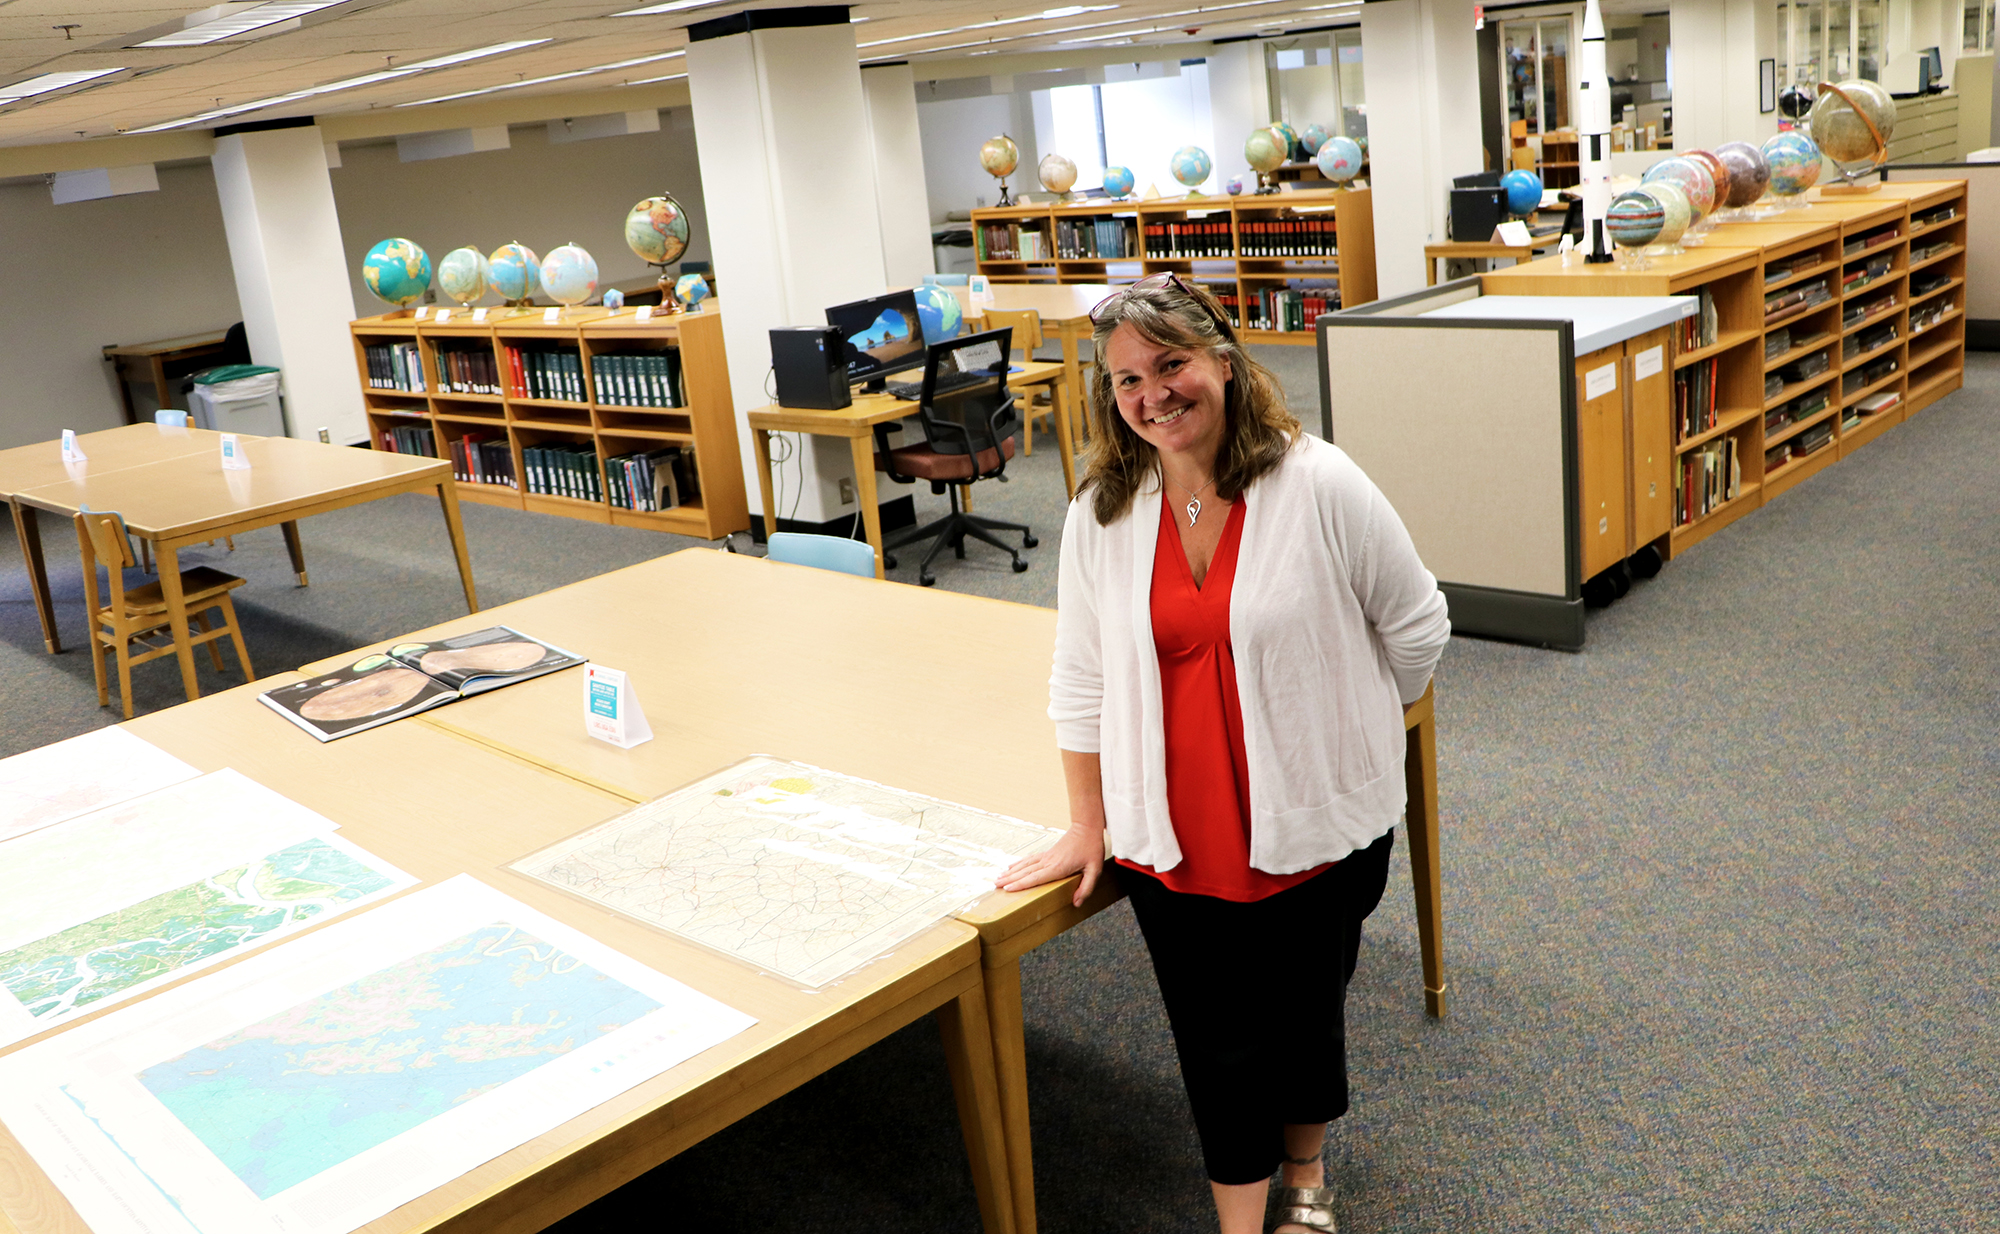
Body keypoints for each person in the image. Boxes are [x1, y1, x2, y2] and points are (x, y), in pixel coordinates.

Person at [997, 274, 1450, 1234]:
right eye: (1126, 381)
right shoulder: (1103, 512)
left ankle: (1308, 1182)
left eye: (1172, 365)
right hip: (1176, 832)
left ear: (1226, 363)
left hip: (1312, 822)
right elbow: (1079, 678)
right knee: (1216, 1045)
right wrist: (1089, 822)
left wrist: (1356, 733)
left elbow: (1416, 628)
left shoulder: (1317, 480)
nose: (1153, 394)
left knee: (1303, 1021)